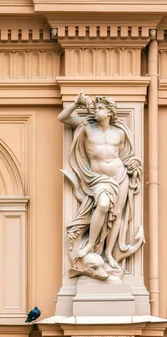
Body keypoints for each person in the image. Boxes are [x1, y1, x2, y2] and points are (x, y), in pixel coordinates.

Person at [58, 92, 144, 279]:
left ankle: (109, 254)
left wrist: (133, 164)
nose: (97, 110)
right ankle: (91, 244)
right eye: (96, 108)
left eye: (101, 108)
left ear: (110, 112)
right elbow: (62, 118)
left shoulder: (120, 132)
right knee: (103, 205)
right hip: (97, 179)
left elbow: (125, 156)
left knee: (118, 215)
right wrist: (76, 103)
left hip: (120, 176)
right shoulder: (86, 127)